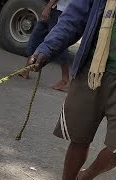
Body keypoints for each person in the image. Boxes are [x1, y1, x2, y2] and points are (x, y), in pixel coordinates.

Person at [29, 0, 116, 179]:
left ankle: (86, 176)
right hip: (90, 69)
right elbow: (73, 18)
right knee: (79, 138)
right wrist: (47, 48)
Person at [19, 0, 71, 92]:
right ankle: (26, 70)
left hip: (60, 10)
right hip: (54, 8)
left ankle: (65, 80)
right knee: (37, 35)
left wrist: (48, 6)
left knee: (59, 43)